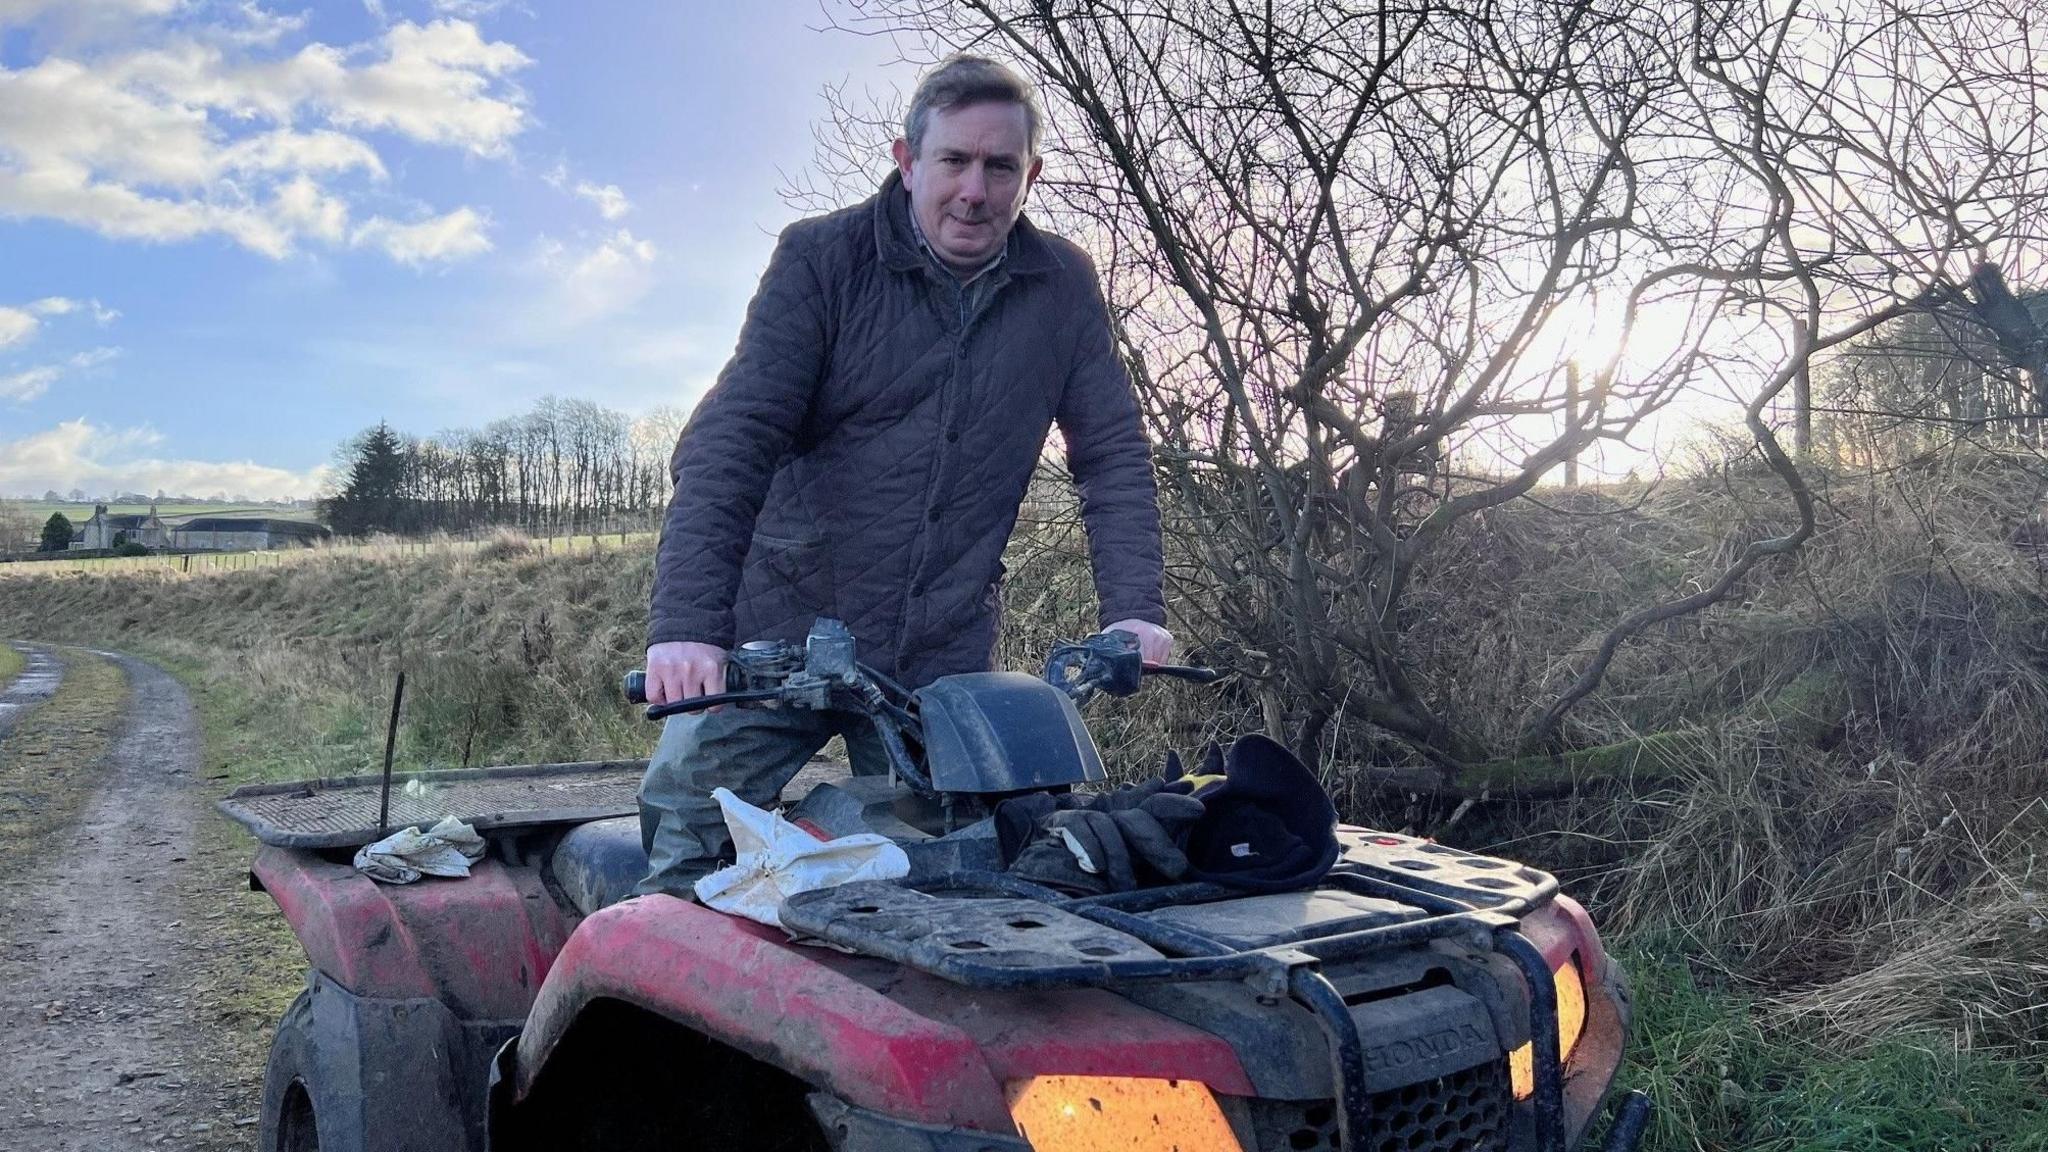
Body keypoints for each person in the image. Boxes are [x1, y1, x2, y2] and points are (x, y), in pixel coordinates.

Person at [635, 54, 1171, 898]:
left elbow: (1111, 456)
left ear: (1029, 175)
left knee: (965, 860)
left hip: (939, 648)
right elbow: (731, 439)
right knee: (687, 817)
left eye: (1000, 167)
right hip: (783, 635)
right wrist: (688, 627)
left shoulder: (1063, 285)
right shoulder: (821, 260)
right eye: (954, 160)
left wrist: (1134, 612)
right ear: (907, 160)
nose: (974, 191)